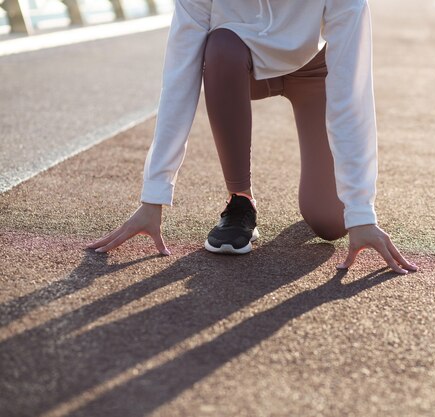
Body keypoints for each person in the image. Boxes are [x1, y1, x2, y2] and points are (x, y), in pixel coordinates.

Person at [89, 0, 417, 274]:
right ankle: (240, 200)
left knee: (332, 224)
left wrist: (360, 211)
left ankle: (332, 206)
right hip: (238, 65)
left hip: (312, 70)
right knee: (220, 46)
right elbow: (179, 80)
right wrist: (153, 197)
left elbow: (352, 95)